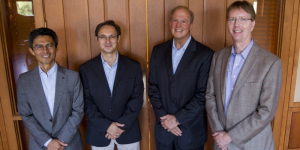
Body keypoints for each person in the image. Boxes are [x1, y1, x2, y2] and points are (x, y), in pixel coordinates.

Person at [205, 1, 282, 150]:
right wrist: (219, 133)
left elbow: (266, 111)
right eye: (232, 19)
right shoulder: (218, 57)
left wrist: (230, 136)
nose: (236, 25)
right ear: (227, 23)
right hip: (221, 143)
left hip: (253, 143)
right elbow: (210, 96)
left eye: (243, 19)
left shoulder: (271, 63)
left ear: (252, 24)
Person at [149, 6, 214, 150]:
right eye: (175, 20)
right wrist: (165, 119)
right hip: (164, 132)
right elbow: (153, 87)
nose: (178, 25)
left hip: (190, 134)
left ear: (191, 25)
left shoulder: (205, 54)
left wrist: (177, 119)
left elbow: (203, 94)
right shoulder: (158, 51)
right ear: (169, 23)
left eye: (183, 21)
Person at [80, 20, 144, 150]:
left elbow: (137, 98)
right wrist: (107, 126)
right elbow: (86, 101)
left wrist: (122, 126)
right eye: (103, 37)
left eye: (112, 36)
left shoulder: (134, 66)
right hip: (99, 131)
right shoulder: (86, 68)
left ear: (118, 38)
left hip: (128, 130)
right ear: (97, 39)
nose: (107, 41)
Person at [17, 27, 84, 150]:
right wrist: (48, 141)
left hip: (69, 144)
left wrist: (62, 140)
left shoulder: (73, 77)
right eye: (39, 46)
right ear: (32, 50)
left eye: (49, 45)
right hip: (40, 144)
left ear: (56, 47)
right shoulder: (24, 80)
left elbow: (78, 111)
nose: (45, 50)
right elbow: (25, 114)